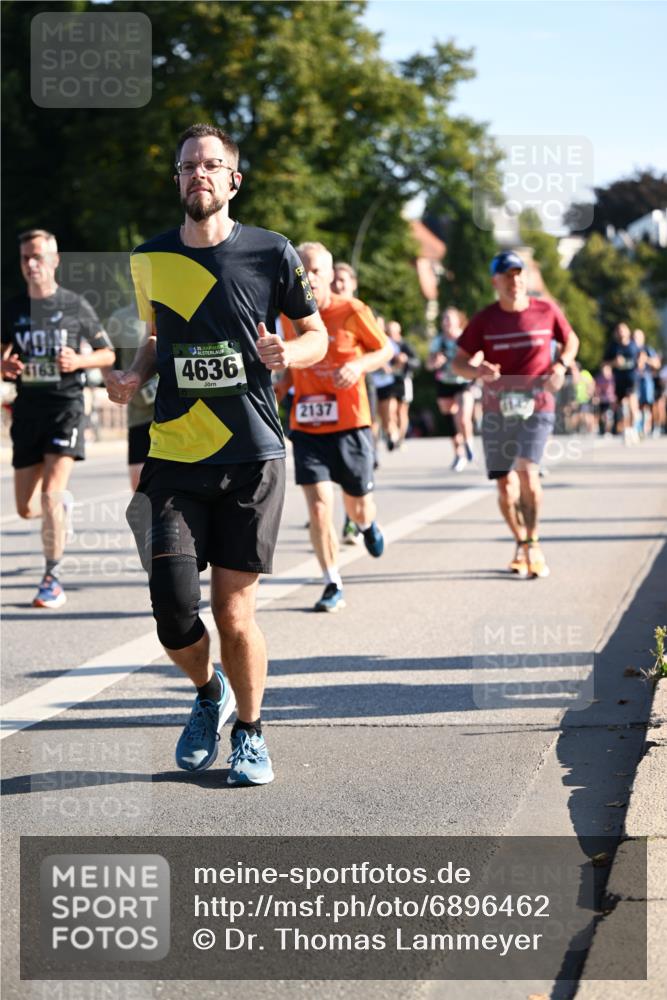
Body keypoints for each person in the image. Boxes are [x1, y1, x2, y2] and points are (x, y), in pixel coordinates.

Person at [106, 124, 327, 786]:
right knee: (172, 610)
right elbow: (154, 334)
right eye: (187, 166)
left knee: (234, 612)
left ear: (233, 179)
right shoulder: (149, 257)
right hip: (174, 454)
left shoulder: (270, 253)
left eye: (211, 165)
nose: (198, 174)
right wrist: (134, 374)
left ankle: (251, 733)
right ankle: (208, 692)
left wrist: (291, 354)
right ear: (177, 180)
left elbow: (314, 334)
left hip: (251, 455)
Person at [1, 229, 115, 608]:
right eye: (24, 258)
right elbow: (2, 357)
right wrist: (5, 365)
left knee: (51, 492)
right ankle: (59, 510)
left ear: (54, 260)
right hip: (28, 411)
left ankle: (51, 577)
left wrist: (79, 361)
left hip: (65, 408)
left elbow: (108, 354)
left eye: (37, 256)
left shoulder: (74, 305)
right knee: (25, 508)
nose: (31, 264)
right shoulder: (12, 308)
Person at [452, 250, 579, 579]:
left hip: (537, 405)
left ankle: (533, 542)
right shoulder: (485, 319)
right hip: (497, 410)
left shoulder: (546, 311)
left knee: (526, 471)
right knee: (505, 486)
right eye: (507, 276)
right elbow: (458, 363)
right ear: (495, 282)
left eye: (519, 275)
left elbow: (571, 341)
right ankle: (521, 542)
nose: (515, 281)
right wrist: (477, 370)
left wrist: (561, 366)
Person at [281, 241, 393, 612]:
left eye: (317, 271)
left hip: (350, 423)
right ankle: (332, 582)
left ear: (330, 275)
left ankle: (367, 526)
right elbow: (284, 365)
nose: (309, 277)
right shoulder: (287, 316)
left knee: (358, 505)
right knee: (318, 508)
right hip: (308, 425)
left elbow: (385, 350)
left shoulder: (352, 310)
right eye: (304, 269)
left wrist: (359, 366)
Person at [333, 261, 380, 544]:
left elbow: (382, 348)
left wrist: (361, 365)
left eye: (343, 280)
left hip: (361, 387)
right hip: (327, 394)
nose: (338, 285)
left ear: (353, 284)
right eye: (335, 280)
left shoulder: (359, 311)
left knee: (358, 459)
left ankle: (356, 518)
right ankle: (349, 518)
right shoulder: (320, 313)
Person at [106, 302, 156, 489]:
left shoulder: (174, 305)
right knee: (140, 491)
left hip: (173, 412)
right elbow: (106, 353)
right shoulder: (120, 318)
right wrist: (113, 384)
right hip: (139, 413)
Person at [427, 307, 475, 471]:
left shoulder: (465, 337)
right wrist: (435, 362)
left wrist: (473, 365)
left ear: (457, 321)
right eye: (444, 319)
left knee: (462, 417)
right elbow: (429, 364)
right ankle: (458, 454)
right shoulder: (438, 341)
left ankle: (468, 441)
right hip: (444, 382)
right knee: (450, 421)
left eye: (449, 318)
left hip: (463, 381)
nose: (446, 322)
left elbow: (478, 354)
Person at [604, 322, 640, 444]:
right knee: (621, 406)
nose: (621, 332)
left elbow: (643, 357)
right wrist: (614, 363)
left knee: (631, 404)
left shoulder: (634, 345)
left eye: (623, 330)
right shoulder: (613, 347)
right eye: (619, 330)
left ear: (628, 332)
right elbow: (604, 364)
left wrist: (642, 362)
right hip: (618, 380)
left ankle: (634, 429)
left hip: (632, 378)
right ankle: (626, 430)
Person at [386, 320, 420, 447]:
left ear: (398, 332)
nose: (390, 335)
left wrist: (406, 361)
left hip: (403, 380)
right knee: (390, 409)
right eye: (388, 332)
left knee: (402, 411)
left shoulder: (405, 345)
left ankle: (400, 438)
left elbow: (417, 362)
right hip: (389, 381)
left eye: (393, 332)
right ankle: (392, 434)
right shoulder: (385, 345)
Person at [633, 328, 661, 437]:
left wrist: (646, 359)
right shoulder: (631, 349)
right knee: (635, 404)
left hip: (646, 380)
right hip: (634, 380)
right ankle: (637, 428)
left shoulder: (648, 349)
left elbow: (657, 364)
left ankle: (655, 426)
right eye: (634, 337)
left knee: (649, 404)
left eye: (637, 337)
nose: (635, 339)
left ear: (643, 338)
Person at [593, 361, 616, 436]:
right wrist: (596, 396)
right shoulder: (599, 378)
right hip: (602, 400)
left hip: (610, 400)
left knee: (609, 415)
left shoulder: (612, 378)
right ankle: (602, 430)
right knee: (602, 416)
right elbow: (597, 389)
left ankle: (609, 431)